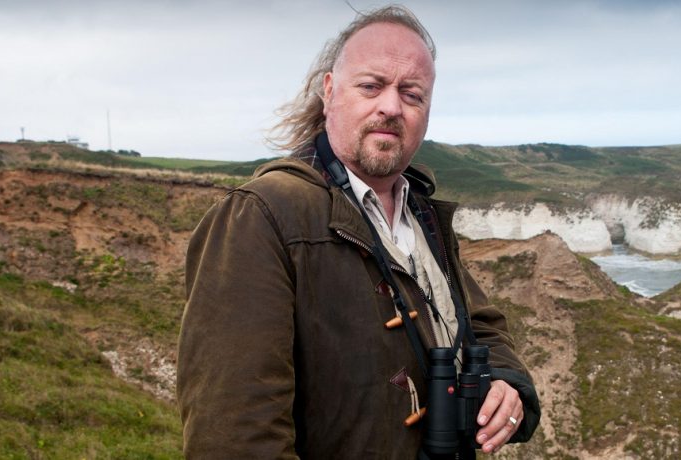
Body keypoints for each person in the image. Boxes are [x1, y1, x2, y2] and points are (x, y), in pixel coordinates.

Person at [178, 5, 539, 458]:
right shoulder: (263, 215)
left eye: (412, 94)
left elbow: (480, 326)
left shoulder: (420, 216)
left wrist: (506, 383)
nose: (391, 106)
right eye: (371, 86)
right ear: (329, 91)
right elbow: (234, 436)